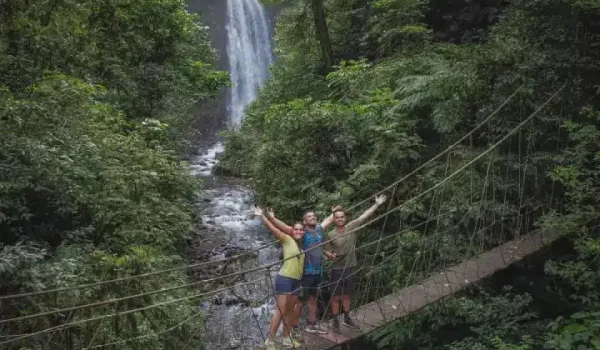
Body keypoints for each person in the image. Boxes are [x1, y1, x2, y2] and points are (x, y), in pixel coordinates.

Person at [268, 207, 338, 334]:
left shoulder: (318, 230)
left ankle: (312, 324)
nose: (312, 218)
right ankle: (294, 328)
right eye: (309, 217)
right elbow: (286, 228)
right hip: (305, 273)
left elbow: (328, 222)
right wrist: (272, 219)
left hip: (317, 272)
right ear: (304, 222)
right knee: (300, 302)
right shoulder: (302, 232)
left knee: (313, 299)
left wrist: (333, 213)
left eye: (313, 216)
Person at [326, 195, 387, 331]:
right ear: (334, 220)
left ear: (345, 218)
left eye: (342, 217)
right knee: (336, 296)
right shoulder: (330, 235)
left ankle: (347, 318)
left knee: (347, 295)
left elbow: (363, 216)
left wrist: (376, 205)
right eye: (337, 217)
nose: (340, 219)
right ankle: (336, 320)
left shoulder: (351, 226)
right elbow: (327, 251)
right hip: (336, 268)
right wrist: (330, 255)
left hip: (349, 267)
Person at [253, 206, 305, 349]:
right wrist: (263, 216)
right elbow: (274, 230)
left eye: (301, 230)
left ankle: (286, 338)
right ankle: (270, 341)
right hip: (285, 279)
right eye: (296, 229)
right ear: (292, 231)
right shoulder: (287, 239)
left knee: (289, 310)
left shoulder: (302, 245)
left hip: (296, 281)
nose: (299, 232)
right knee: (281, 310)